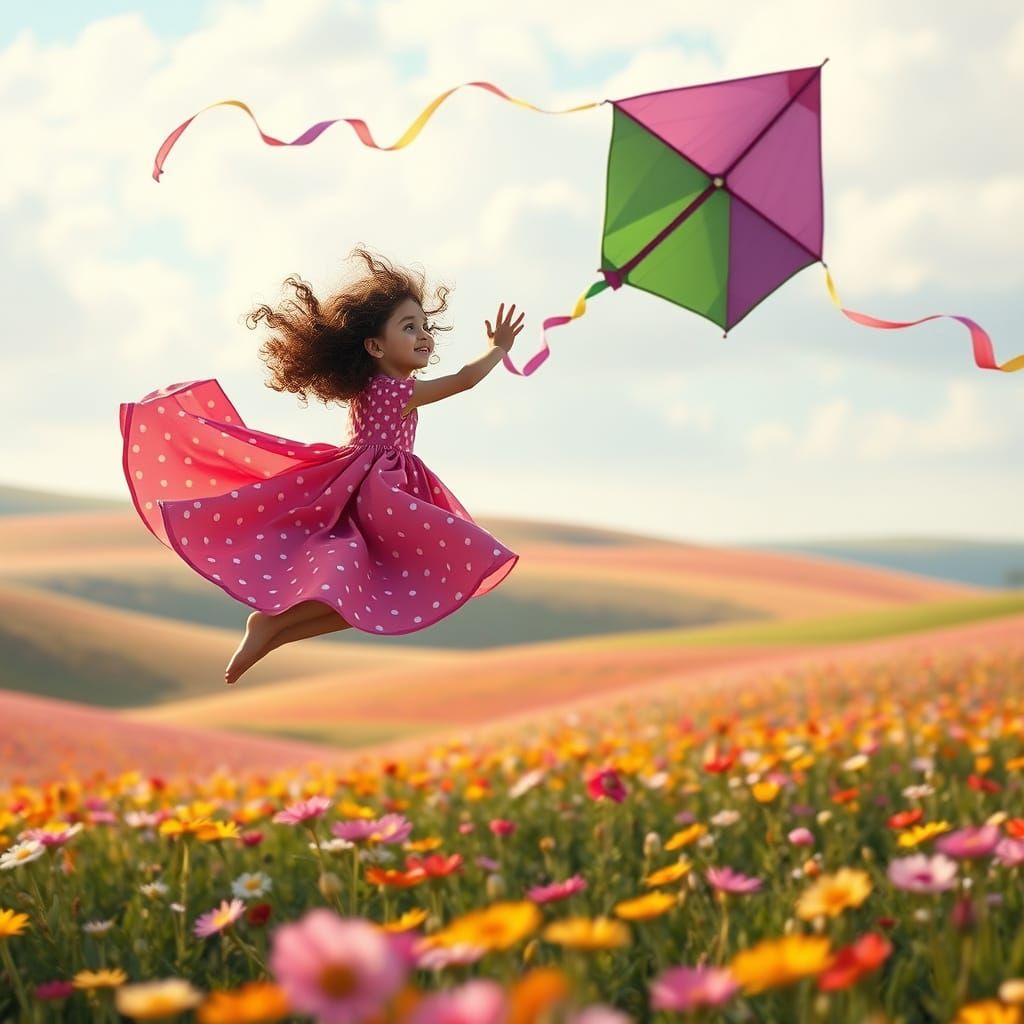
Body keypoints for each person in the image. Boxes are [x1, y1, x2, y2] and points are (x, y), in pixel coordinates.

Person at [119, 247, 523, 685]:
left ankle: (272, 630)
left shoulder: (377, 386)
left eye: (425, 325)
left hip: (364, 485)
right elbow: (464, 380)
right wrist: (497, 349)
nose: (424, 335)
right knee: (383, 589)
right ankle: (271, 628)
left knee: (372, 596)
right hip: (377, 493)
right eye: (409, 327)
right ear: (374, 345)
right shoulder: (396, 391)